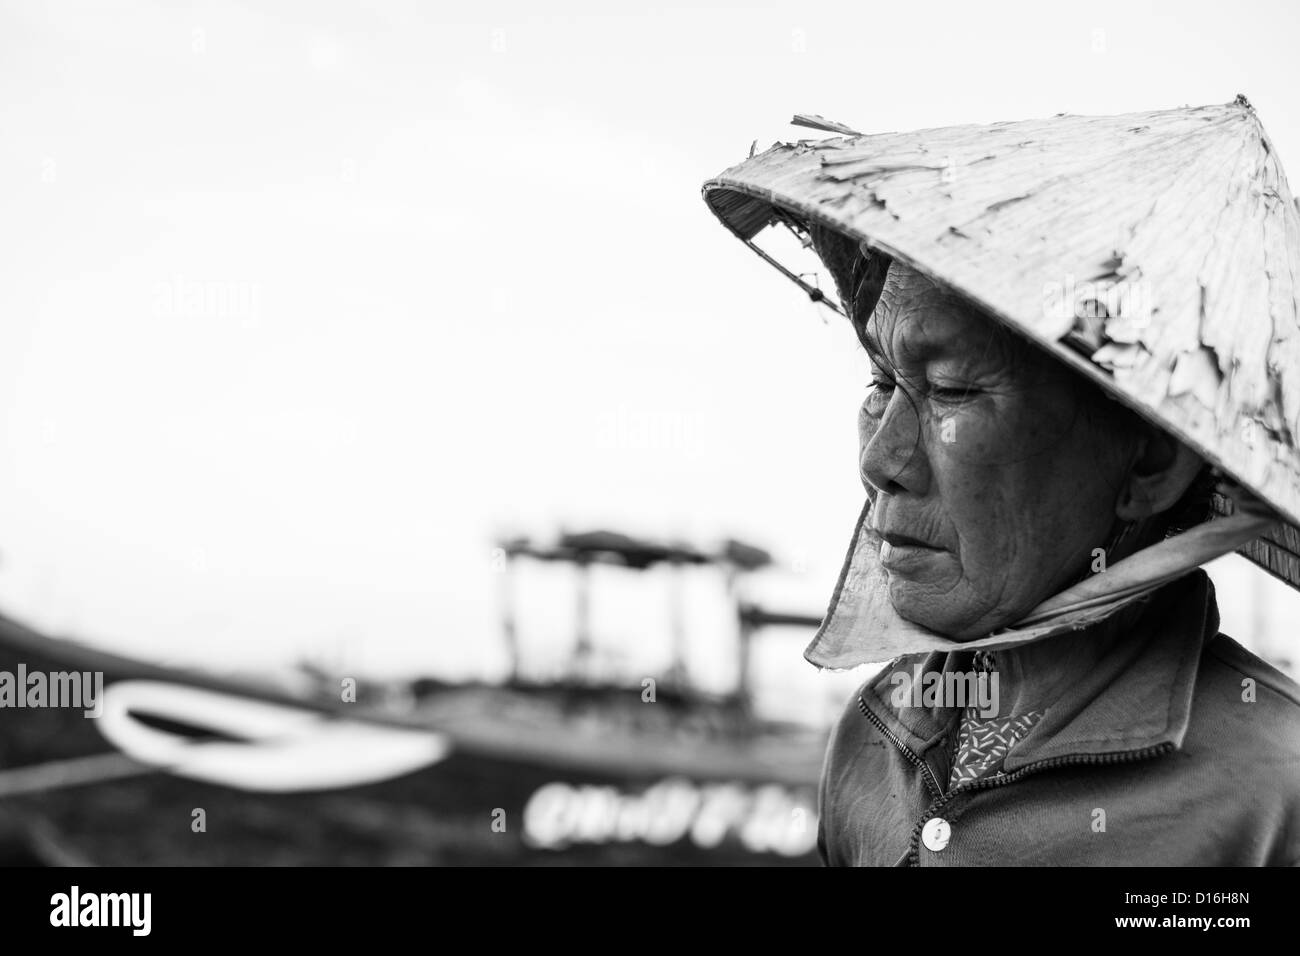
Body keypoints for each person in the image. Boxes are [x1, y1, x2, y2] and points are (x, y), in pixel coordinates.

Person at [701, 98, 1300, 865]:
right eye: (882, 381)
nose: (881, 461)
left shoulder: (1270, 799)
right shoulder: (877, 731)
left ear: (1147, 464)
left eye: (950, 391)